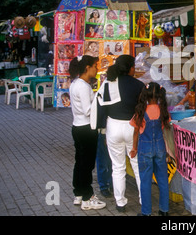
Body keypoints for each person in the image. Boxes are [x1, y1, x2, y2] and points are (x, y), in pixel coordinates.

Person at [95, 55, 144, 212]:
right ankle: (145, 201)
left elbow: (100, 107)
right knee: (137, 166)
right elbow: (143, 110)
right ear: (130, 68)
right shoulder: (139, 85)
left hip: (113, 127)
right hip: (132, 127)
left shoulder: (108, 83)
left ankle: (120, 203)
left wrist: (102, 131)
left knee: (118, 167)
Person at [68, 55, 106, 211]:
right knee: (87, 164)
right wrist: (101, 104)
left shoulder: (75, 83)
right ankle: (87, 197)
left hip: (77, 127)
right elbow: (88, 110)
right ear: (87, 68)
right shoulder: (83, 86)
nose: (97, 69)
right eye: (95, 66)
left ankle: (78, 192)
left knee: (80, 162)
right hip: (86, 129)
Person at [130, 82, 174, 216]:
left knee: (145, 181)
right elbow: (165, 128)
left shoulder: (141, 111)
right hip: (160, 148)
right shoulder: (163, 111)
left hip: (145, 149)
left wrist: (134, 148)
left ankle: (146, 212)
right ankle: (164, 210)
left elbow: (136, 132)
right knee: (162, 180)